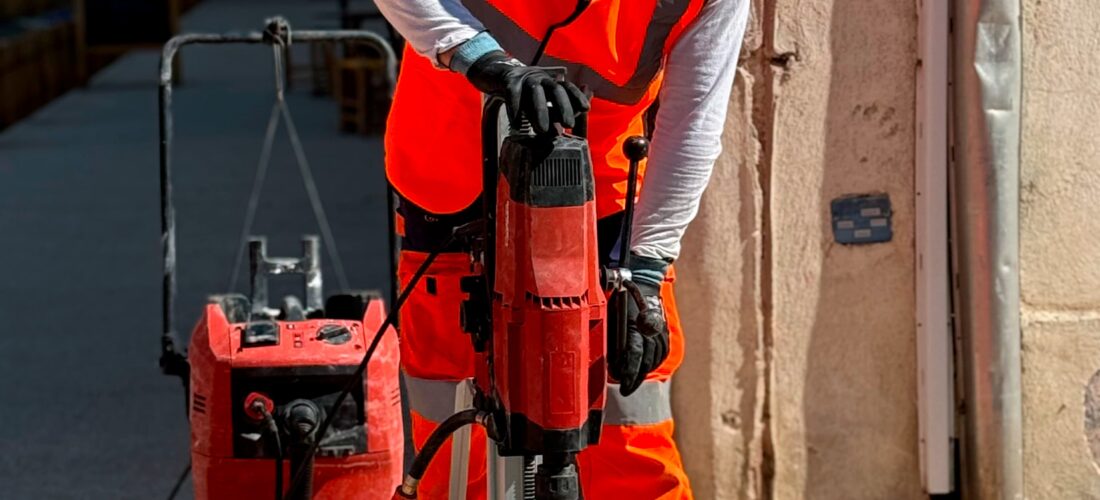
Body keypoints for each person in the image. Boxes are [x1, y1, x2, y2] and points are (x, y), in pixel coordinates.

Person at [375, 0, 750, 498]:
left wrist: (645, 271)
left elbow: (693, 124)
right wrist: (478, 55)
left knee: (627, 422)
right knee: (456, 425)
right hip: (451, 175)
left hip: (599, 199)